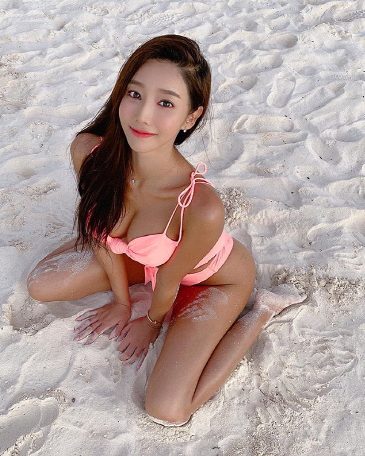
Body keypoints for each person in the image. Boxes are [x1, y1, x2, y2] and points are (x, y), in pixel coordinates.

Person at [27, 35, 305, 427]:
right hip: (148, 265)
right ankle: (138, 273)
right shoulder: (89, 152)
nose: (143, 116)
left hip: (212, 280)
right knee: (40, 285)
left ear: (191, 117)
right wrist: (122, 302)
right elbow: (101, 233)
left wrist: (151, 323)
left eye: (166, 103)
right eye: (135, 94)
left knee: (167, 409)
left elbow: (172, 279)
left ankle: (263, 311)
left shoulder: (201, 205)